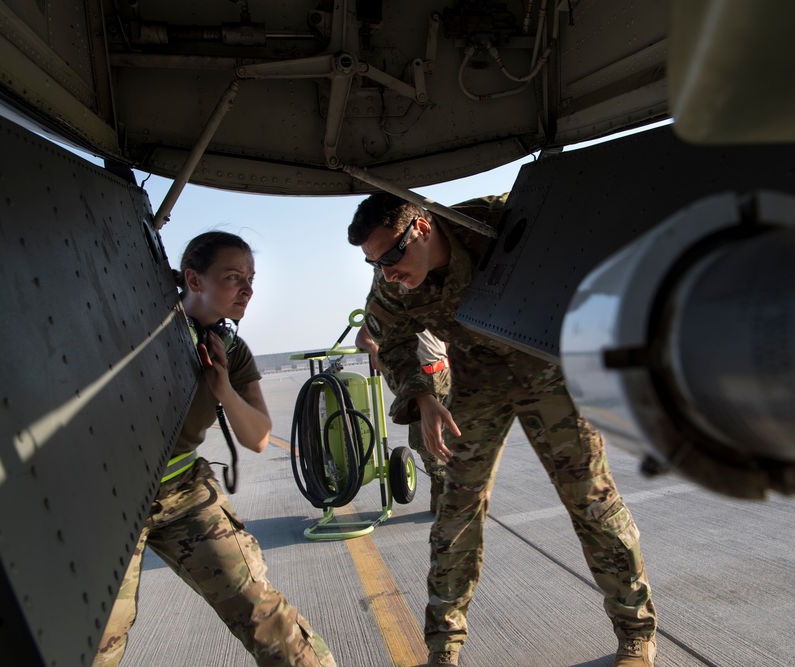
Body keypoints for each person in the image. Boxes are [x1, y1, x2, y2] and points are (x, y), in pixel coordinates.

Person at [348, 194, 658, 667]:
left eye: (391, 256)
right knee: (455, 516)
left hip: (547, 368)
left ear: (424, 229)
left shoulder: (504, 221)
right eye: (374, 262)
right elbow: (389, 340)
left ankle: (637, 632)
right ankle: (443, 652)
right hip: (475, 380)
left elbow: (592, 247)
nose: (386, 272)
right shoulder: (392, 282)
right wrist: (423, 395)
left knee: (592, 501)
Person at [93, 231, 336, 667]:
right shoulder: (135, 327)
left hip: (185, 490)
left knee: (264, 615)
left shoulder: (232, 350)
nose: (247, 288)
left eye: (250, 278)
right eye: (232, 277)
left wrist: (223, 387)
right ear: (194, 279)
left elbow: (258, 436)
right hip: (113, 496)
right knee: (99, 638)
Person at [355, 327, 451, 513]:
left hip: (444, 374)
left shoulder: (430, 303)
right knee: (426, 441)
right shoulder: (387, 304)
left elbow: (447, 337)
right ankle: (442, 490)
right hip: (417, 380)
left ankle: (450, 493)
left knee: (452, 434)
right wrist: (373, 349)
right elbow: (361, 338)